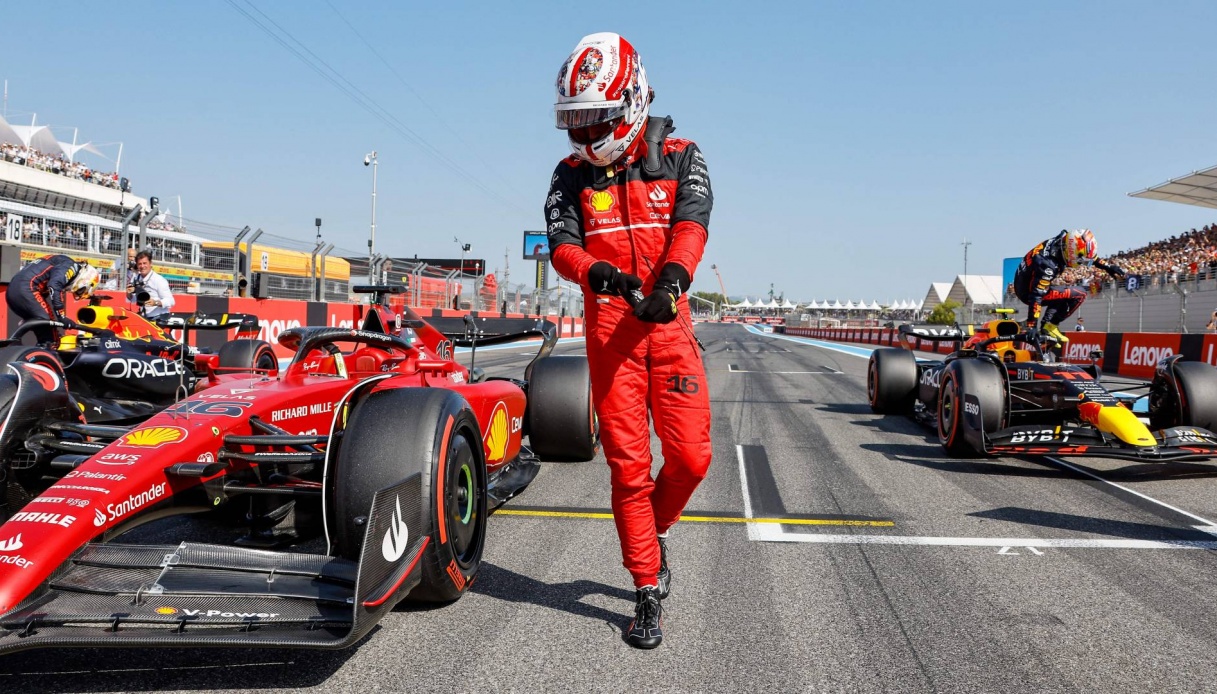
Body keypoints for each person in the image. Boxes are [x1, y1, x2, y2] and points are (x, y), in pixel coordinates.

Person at [546, 32, 712, 650]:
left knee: (694, 458)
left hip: (668, 321)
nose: (585, 138)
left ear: (633, 100)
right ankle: (646, 588)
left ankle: (655, 528)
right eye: (575, 125)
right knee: (628, 468)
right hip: (611, 330)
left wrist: (670, 285)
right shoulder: (568, 175)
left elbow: (692, 225)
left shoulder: (682, 153)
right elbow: (561, 243)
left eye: (596, 122)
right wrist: (600, 274)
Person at [1013, 229, 1123, 348]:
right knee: (1079, 294)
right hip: (1027, 292)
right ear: (1072, 253)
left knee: (1063, 293)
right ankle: (1050, 326)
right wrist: (1031, 326)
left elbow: (1087, 254)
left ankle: (1046, 325)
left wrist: (1107, 267)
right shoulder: (1048, 265)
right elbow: (1036, 296)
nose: (1082, 264)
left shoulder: (1063, 242)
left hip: (1024, 281)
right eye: (1080, 260)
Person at [7, 255, 99, 344]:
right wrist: (61, 316)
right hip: (27, 288)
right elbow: (54, 285)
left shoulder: (63, 262)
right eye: (81, 290)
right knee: (50, 330)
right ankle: (49, 351)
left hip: (12, 290)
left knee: (44, 330)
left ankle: (37, 351)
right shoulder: (71, 266)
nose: (77, 292)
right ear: (86, 278)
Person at [127, 250, 175, 318]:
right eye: (139, 264)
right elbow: (133, 300)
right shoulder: (135, 278)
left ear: (150, 263)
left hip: (159, 317)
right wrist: (128, 293)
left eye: (144, 263)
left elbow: (171, 301)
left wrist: (155, 303)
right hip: (143, 317)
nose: (142, 266)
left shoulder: (159, 279)